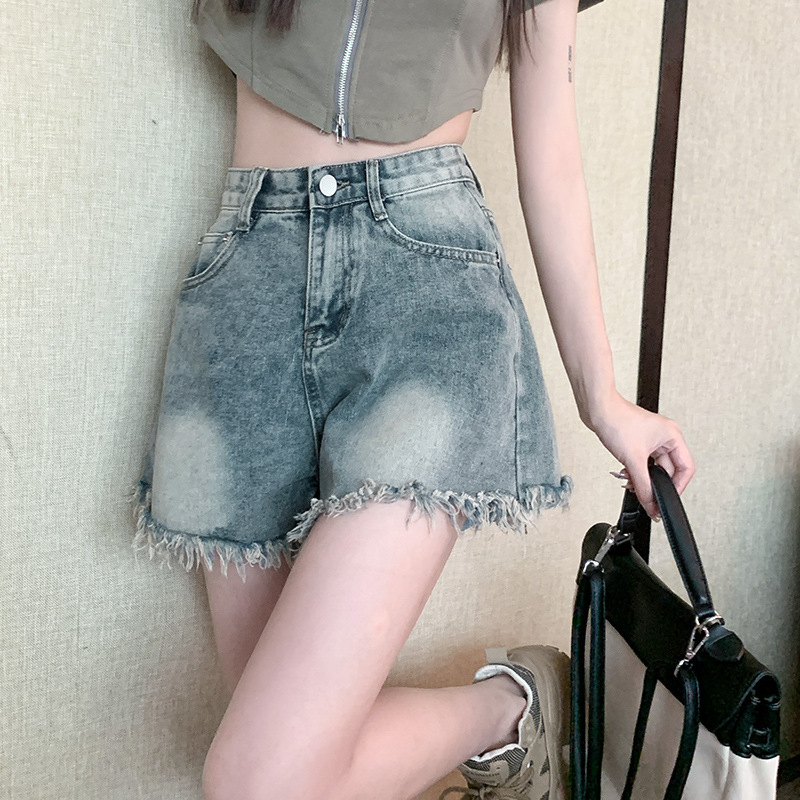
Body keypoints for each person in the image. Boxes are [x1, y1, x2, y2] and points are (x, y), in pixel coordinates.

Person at [128, 1, 695, 798]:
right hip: (245, 289)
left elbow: (552, 153)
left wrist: (602, 397)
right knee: (292, 760)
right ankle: (514, 716)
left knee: (265, 779)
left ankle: (515, 710)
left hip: (425, 288)